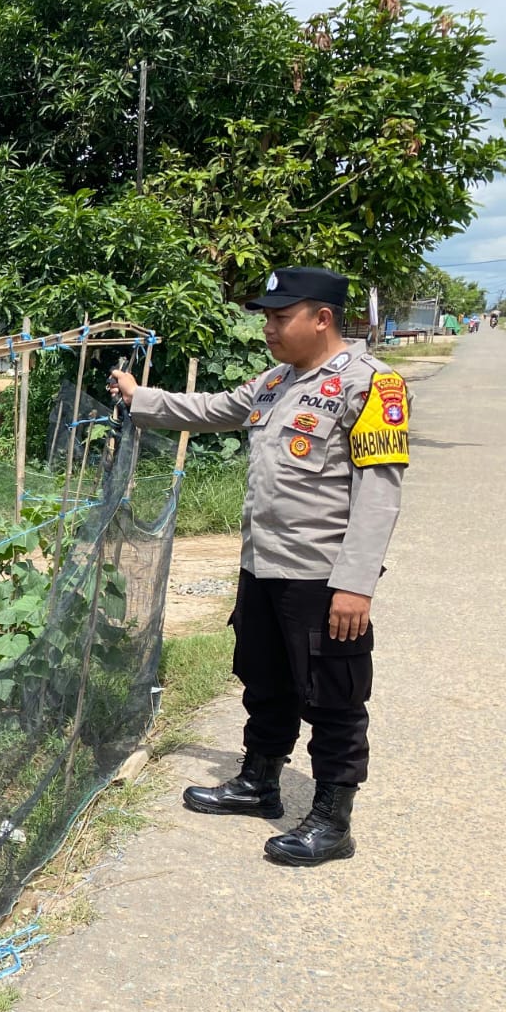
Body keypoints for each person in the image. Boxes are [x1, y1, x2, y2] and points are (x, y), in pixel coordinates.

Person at [108, 267, 409, 867]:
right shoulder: (276, 381)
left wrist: (354, 583)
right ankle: (259, 782)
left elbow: (380, 493)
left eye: (280, 317)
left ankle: (332, 819)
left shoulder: (372, 385)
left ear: (321, 318)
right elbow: (213, 408)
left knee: (332, 697)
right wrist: (140, 398)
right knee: (264, 678)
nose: (268, 328)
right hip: (263, 567)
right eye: (267, 317)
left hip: (322, 577)